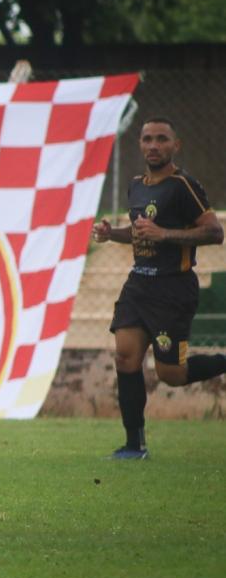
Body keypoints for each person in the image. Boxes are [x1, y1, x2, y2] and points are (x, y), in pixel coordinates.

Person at [92, 117, 225, 460]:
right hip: (139, 285)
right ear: (140, 144)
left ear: (175, 145)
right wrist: (112, 233)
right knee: (125, 356)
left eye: (162, 139)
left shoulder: (184, 186)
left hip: (173, 289)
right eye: (148, 139)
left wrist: (165, 234)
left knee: (171, 375)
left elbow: (213, 233)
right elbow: (140, 233)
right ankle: (134, 446)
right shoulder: (136, 185)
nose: (154, 145)